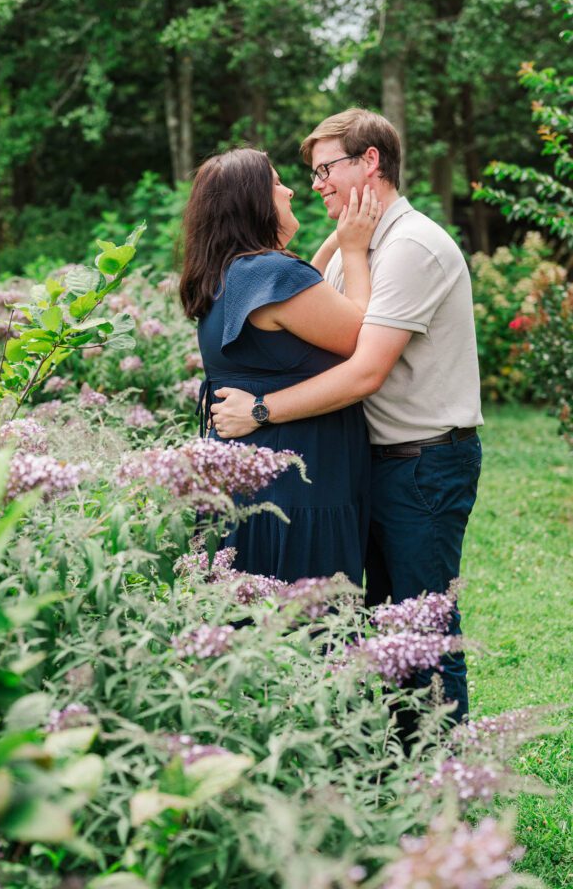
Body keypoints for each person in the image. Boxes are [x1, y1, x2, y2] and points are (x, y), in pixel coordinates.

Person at [210, 110, 483, 722]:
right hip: (376, 463)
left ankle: (445, 785)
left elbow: (365, 369)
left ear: (371, 163)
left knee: (423, 628)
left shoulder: (410, 247)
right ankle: (396, 774)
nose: (317, 184)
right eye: (310, 174)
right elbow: (302, 303)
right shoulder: (361, 247)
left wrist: (261, 409)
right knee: (382, 629)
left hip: (424, 462)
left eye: (327, 169)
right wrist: (340, 242)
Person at [179, 147, 381, 586]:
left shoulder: (228, 272)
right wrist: (354, 250)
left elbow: (301, 304)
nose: (290, 190)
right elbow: (361, 334)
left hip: (250, 480)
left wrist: (333, 241)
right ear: (253, 201)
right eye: (276, 183)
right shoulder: (271, 275)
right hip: (297, 485)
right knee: (306, 621)